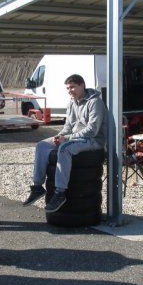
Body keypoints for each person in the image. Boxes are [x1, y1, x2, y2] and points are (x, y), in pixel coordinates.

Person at [23, 74, 106, 212]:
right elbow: (68, 126)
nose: (70, 91)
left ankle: (60, 193)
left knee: (64, 148)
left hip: (93, 140)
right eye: (68, 88)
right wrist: (60, 136)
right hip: (75, 138)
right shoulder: (72, 103)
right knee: (42, 145)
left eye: (72, 87)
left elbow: (92, 130)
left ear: (82, 85)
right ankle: (37, 187)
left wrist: (66, 139)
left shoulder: (95, 102)